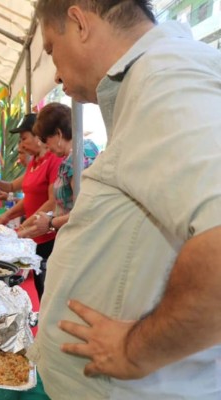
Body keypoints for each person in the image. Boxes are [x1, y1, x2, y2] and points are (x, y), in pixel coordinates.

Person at [33, 1, 221, 399]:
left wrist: (135, 351)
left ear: (78, 22)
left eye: (51, 48)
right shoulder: (153, 78)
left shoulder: (165, 76)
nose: (55, 71)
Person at [0, 113, 63, 300]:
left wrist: (26, 226)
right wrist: (8, 215)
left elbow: (52, 201)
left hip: (48, 235)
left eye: (24, 138)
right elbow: (30, 198)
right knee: (38, 287)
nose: (21, 145)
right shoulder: (34, 163)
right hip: (33, 235)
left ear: (38, 136)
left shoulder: (54, 160)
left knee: (47, 290)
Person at [18, 102, 99, 237]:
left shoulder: (75, 162)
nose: (45, 145)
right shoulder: (85, 150)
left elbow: (84, 212)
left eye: (45, 139)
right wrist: (24, 231)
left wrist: (50, 223)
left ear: (58, 134)